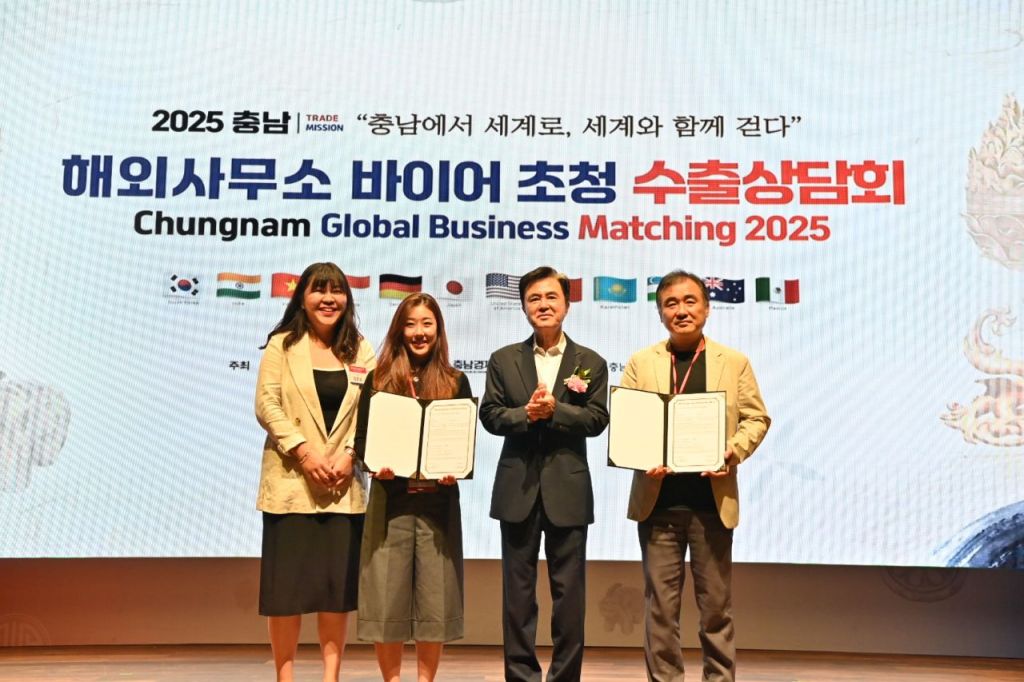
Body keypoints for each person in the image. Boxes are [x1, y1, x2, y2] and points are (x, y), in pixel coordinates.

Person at [622, 270, 770, 682]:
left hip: (711, 506)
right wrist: (642, 455)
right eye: (671, 303)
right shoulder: (641, 363)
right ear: (660, 313)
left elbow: (756, 418)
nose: (681, 310)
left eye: (690, 301)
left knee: (716, 611)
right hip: (658, 505)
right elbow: (630, 423)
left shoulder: (733, 362)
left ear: (706, 308)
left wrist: (733, 451)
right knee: (660, 611)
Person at [480, 266, 610, 682]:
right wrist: (526, 414)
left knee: (569, 595)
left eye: (551, 297)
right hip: (516, 489)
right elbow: (490, 415)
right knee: (517, 596)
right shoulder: (504, 359)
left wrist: (556, 411)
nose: (543, 305)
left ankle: (565, 677)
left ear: (567, 304)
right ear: (523, 307)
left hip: (568, 491)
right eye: (534, 298)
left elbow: (597, 419)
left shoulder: (590, 362)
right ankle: (521, 676)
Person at [254, 262, 376, 682]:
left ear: (347, 298)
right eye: (318, 290)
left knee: (334, 594)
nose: (328, 299)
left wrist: (351, 455)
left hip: (343, 486)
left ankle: (331, 676)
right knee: (284, 594)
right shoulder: (282, 345)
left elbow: (371, 409)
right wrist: (304, 453)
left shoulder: (361, 349)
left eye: (336, 291)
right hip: (291, 484)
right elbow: (266, 404)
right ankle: (284, 677)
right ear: (302, 298)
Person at [354, 293, 472, 682]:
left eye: (427, 323)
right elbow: (362, 440)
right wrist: (376, 464)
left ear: (438, 329)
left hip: (439, 505)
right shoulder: (378, 379)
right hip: (391, 503)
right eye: (410, 324)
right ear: (398, 330)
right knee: (386, 602)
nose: (419, 332)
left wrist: (455, 469)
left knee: (435, 603)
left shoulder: (455, 381)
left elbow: (463, 443)